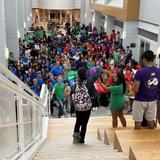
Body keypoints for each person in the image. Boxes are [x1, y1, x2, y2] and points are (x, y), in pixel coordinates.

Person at [73, 67, 102, 144]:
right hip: (87, 105)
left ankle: (75, 139)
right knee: (84, 123)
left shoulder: (76, 84)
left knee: (78, 122)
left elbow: (74, 94)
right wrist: (97, 67)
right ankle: (82, 139)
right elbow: (99, 72)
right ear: (86, 73)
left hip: (78, 106)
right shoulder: (89, 81)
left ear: (78, 75)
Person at [132, 50, 160, 129]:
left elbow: (136, 90)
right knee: (151, 122)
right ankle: (150, 140)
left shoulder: (139, 72)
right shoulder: (159, 71)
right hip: (152, 100)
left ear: (144, 59)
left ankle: (137, 140)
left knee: (138, 122)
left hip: (140, 100)